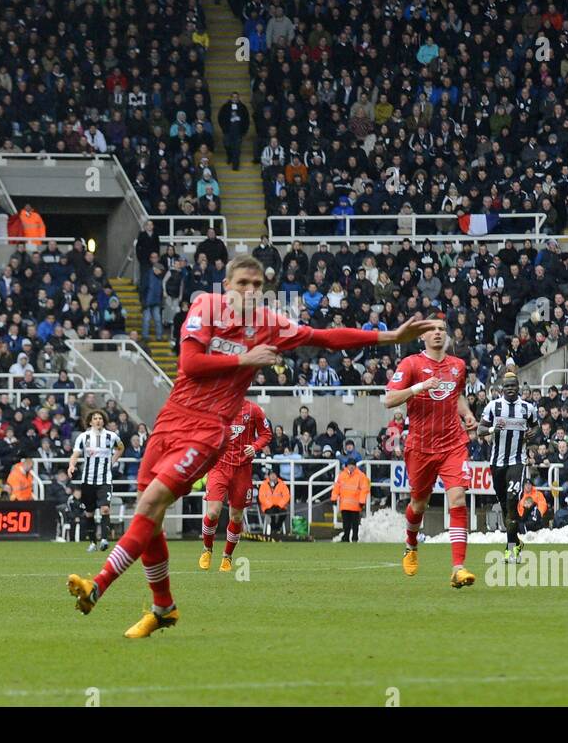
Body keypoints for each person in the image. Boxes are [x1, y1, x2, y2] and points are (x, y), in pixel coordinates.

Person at [66, 255, 439, 637]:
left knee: (148, 505)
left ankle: (99, 586)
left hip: (208, 430)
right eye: (243, 282)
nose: (251, 290)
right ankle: (164, 607)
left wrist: (390, 337)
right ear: (226, 285)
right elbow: (190, 364)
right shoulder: (205, 306)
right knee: (152, 517)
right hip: (170, 421)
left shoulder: (269, 326)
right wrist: (247, 358)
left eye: (258, 285)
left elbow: (324, 336)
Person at [387, 324, 479, 587]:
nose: (438, 332)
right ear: (422, 336)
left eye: (442, 329)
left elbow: (457, 395)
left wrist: (467, 414)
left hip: (452, 443)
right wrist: (420, 387)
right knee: (419, 504)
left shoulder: (458, 365)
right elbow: (389, 399)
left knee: (458, 498)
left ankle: (458, 568)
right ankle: (411, 543)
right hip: (420, 447)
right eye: (432, 329)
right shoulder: (411, 364)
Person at [199, 399, 271, 571]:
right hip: (219, 467)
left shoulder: (254, 410)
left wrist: (255, 446)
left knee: (236, 516)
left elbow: (266, 434)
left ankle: (227, 557)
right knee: (213, 511)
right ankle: (207, 549)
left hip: (242, 469)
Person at [477, 369, 536, 561]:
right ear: (502, 388)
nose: (511, 389)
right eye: (507, 386)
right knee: (504, 506)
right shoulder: (493, 407)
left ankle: (511, 550)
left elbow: (535, 425)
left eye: (514, 386)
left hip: (517, 461)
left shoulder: (527, 408)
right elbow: (480, 430)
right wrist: (494, 428)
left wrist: (532, 433)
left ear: (519, 388)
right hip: (497, 463)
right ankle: (516, 542)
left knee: (511, 502)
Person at [67, 410, 123, 552]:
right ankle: (92, 542)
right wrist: (72, 465)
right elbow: (76, 453)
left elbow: (121, 448)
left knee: (105, 509)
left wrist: (112, 461)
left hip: (104, 479)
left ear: (103, 421)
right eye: (95, 418)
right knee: (89, 513)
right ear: (90, 422)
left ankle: (104, 539)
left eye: (100, 418)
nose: (98, 420)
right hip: (88, 480)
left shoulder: (111, 436)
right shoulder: (83, 437)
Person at [332, 454, 370, 542]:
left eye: (353, 465)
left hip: (356, 505)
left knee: (355, 523)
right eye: (350, 465)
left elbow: (364, 489)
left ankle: (354, 538)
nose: (351, 467)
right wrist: (334, 498)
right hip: (345, 504)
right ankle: (346, 537)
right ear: (347, 466)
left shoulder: (361, 476)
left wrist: (361, 501)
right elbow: (336, 487)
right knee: (346, 523)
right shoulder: (341, 475)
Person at [258, 468, 290, 536]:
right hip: (268, 507)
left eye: (274, 474)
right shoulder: (264, 484)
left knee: (283, 514)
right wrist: (270, 505)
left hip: (280, 506)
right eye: (271, 474)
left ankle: (277, 528)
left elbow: (286, 496)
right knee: (271, 513)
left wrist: (279, 505)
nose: (272, 476)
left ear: (277, 475)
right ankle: (273, 529)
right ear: (268, 476)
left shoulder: (282, 484)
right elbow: (261, 497)